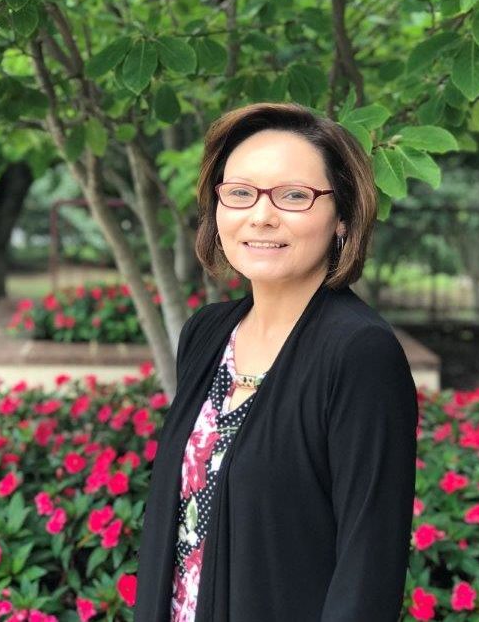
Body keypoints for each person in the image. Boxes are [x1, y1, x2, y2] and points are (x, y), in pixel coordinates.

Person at [133, 102, 419, 622]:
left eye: (293, 195)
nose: (261, 215)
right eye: (240, 193)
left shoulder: (359, 353)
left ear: (342, 217)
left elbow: (369, 566)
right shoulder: (207, 333)